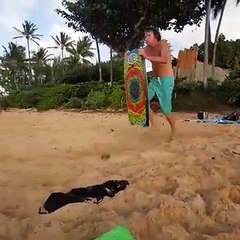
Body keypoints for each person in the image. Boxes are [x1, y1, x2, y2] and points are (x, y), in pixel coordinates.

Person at [138, 27, 175, 139]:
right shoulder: (147, 49)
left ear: (155, 36)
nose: (146, 38)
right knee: (142, 101)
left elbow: (164, 59)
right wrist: (129, 54)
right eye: (145, 36)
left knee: (166, 109)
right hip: (155, 80)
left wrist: (147, 56)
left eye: (148, 36)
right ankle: (154, 125)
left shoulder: (163, 44)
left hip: (166, 79)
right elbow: (138, 54)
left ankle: (174, 131)